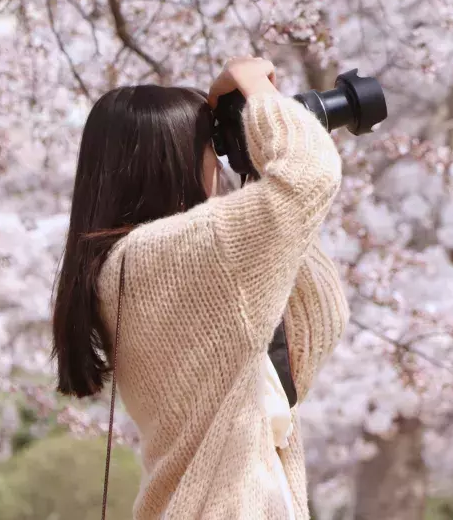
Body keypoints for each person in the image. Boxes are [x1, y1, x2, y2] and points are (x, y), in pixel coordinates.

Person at [50, 57, 348, 519]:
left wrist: (257, 174)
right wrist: (256, 88)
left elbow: (311, 333)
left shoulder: (140, 264)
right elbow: (310, 177)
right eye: (213, 147)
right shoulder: (160, 256)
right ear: (173, 158)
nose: (221, 161)